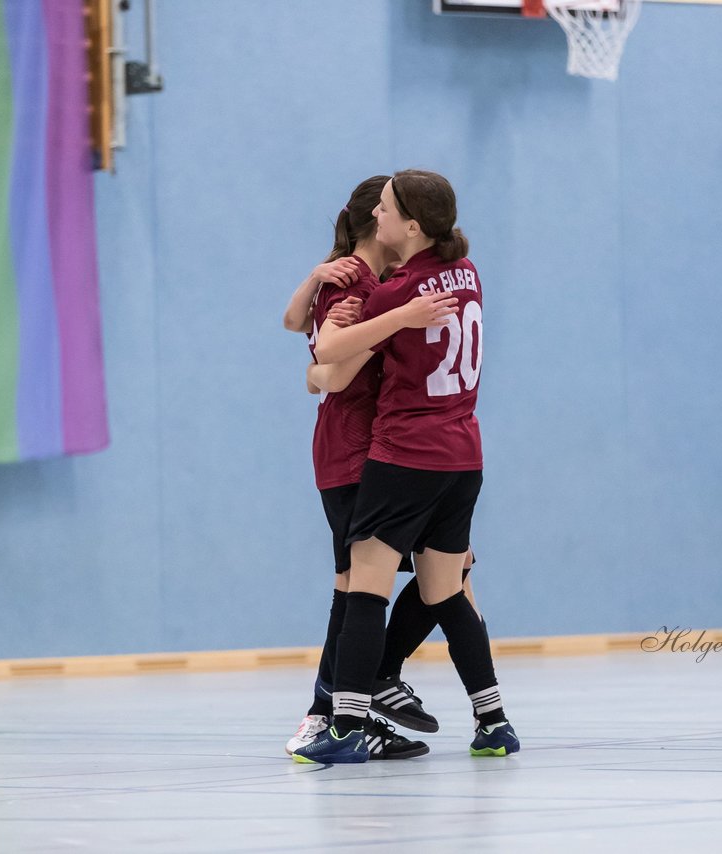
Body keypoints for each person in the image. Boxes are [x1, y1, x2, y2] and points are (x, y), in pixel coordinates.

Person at [294, 169, 518, 763]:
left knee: (363, 591)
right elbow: (299, 323)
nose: (379, 219)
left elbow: (328, 359)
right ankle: (493, 720)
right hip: (464, 453)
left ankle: (343, 723)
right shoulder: (466, 273)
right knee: (450, 588)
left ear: (411, 225)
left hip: (403, 454)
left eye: (388, 210)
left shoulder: (392, 294)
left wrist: (319, 366)